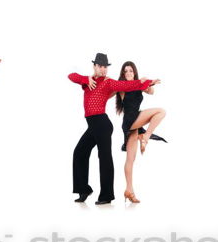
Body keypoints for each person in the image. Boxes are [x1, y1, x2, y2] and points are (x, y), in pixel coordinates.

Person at [69, 53, 159, 205]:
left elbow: (127, 85)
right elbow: (71, 75)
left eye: (106, 67)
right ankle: (84, 189)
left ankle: (106, 196)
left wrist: (146, 82)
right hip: (93, 124)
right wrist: (86, 79)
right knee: (79, 153)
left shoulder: (108, 82)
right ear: (95, 66)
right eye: (101, 66)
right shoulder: (87, 82)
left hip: (102, 124)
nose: (104, 70)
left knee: (104, 157)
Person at [115, 61, 166, 203]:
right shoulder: (122, 87)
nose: (128, 73)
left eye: (131, 71)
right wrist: (142, 83)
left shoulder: (138, 85)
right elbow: (131, 86)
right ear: (123, 75)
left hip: (134, 124)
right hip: (131, 119)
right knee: (161, 111)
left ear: (134, 72)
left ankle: (129, 190)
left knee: (130, 159)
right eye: (126, 71)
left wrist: (149, 84)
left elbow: (151, 92)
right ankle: (145, 137)